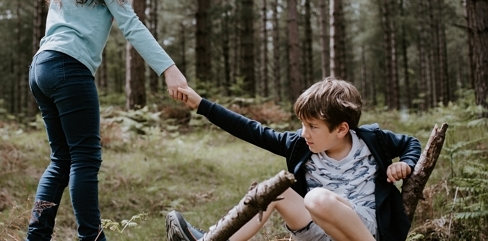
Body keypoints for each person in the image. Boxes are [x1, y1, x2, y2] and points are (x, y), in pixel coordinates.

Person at [26, 0, 187, 241]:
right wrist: (169, 69)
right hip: (70, 68)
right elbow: (131, 25)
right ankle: (92, 237)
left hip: (41, 66)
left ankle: (36, 236)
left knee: (62, 159)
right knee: (85, 158)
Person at [166, 77, 421, 241]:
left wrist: (405, 163)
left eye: (313, 126)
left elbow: (412, 143)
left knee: (317, 198)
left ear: (341, 129)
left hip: (361, 232)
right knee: (277, 191)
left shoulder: (372, 140)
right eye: (302, 124)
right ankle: (211, 240)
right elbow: (251, 130)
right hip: (315, 230)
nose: (304, 133)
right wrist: (201, 104)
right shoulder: (300, 145)